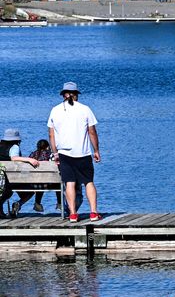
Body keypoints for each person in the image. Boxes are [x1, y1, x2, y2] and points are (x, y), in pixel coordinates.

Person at [46, 81, 101, 223]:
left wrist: (55, 153)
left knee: (69, 183)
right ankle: (94, 213)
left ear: (63, 95)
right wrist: (96, 150)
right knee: (88, 182)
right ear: (76, 95)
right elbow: (92, 132)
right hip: (83, 153)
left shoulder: (55, 110)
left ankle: (73, 214)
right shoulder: (85, 109)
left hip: (64, 153)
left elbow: (51, 135)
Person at [0, 128, 41, 217]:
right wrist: (29, 159)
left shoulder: (0, 146)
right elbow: (14, 158)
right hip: (11, 181)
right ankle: (19, 203)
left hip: (2, 180)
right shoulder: (14, 147)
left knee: (8, 191)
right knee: (31, 190)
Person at [29, 138, 57, 213]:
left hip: (34, 183)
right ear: (47, 147)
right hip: (49, 183)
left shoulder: (33, 154)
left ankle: (37, 203)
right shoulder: (50, 154)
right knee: (58, 182)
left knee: (40, 181)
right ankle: (60, 203)